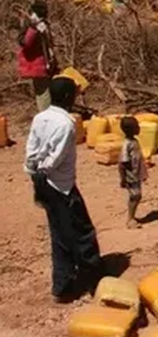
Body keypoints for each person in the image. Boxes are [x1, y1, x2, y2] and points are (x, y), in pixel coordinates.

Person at [25, 77, 102, 302]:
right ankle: (95, 280)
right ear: (68, 97)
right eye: (75, 95)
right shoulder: (66, 124)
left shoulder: (40, 117)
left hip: (41, 181)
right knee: (82, 232)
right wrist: (45, 169)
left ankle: (63, 286)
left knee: (58, 232)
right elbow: (55, 158)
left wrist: (34, 170)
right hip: (61, 186)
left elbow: (31, 148)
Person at [17, 0, 56, 112]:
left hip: (47, 64)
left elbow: (48, 44)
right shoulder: (30, 25)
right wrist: (34, 28)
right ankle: (46, 116)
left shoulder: (44, 24)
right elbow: (25, 43)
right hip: (37, 65)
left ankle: (48, 114)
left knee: (47, 92)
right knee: (43, 94)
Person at [119, 116, 148, 228]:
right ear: (131, 129)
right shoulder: (126, 144)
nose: (139, 128)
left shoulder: (134, 141)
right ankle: (130, 219)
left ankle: (132, 217)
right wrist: (123, 179)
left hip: (136, 175)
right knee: (135, 196)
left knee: (137, 196)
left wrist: (143, 173)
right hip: (130, 176)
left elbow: (137, 159)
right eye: (137, 127)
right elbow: (122, 163)